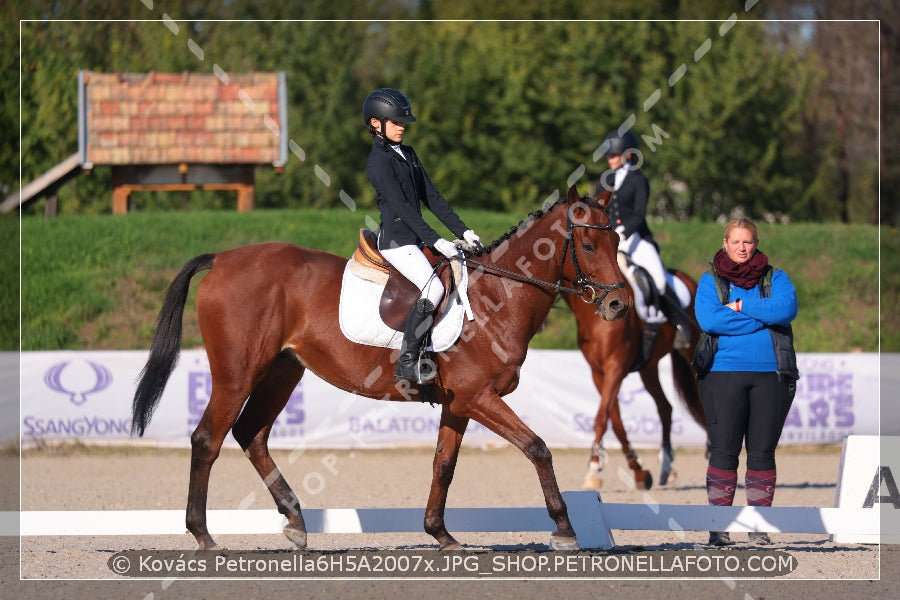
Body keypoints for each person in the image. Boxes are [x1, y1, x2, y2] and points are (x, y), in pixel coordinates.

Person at [363, 87, 482, 384]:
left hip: (414, 239)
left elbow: (433, 197)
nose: (402, 127)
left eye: (404, 122)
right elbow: (402, 208)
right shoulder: (378, 161)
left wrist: (463, 230)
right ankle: (407, 361)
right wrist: (436, 240)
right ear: (376, 123)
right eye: (396, 122)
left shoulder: (409, 154)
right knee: (433, 290)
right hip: (396, 242)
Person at [694, 217, 799, 546]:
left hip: (773, 376)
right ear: (725, 243)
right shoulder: (709, 280)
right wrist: (761, 317)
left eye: (748, 242)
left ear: (756, 243)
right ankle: (719, 527)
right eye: (736, 241)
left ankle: (758, 526)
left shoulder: (775, 277)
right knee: (724, 452)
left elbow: (786, 309)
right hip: (723, 375)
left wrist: (740, 307)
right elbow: (710, 318)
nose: (742, 247)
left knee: (762, 453)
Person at [598, 130, 693, 353]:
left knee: (659, 280)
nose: (610, 159)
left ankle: (682, 325)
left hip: (636, 239)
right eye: (609, 156)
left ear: (627, 155)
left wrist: (623, 232)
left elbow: (639, 214)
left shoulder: (638, 180)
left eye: (614, 155)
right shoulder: (606, 180)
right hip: (611, 238)